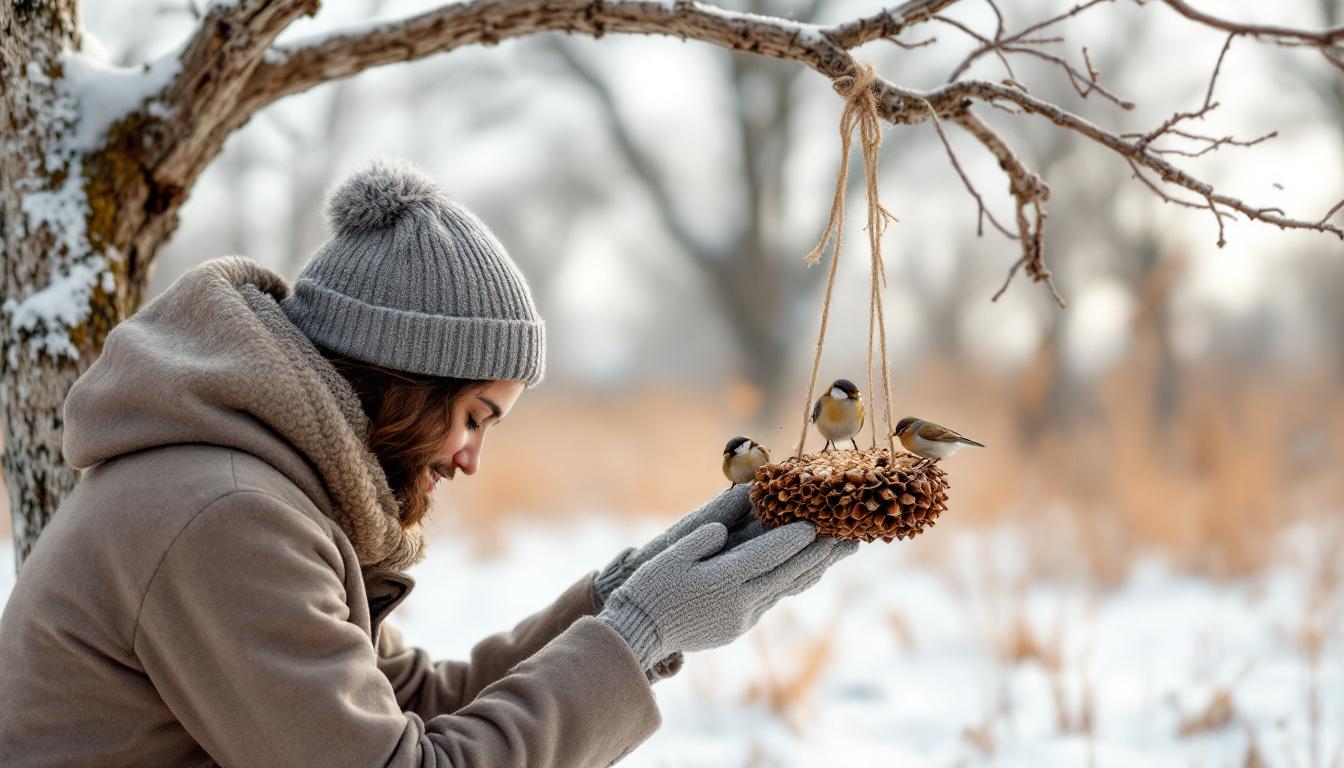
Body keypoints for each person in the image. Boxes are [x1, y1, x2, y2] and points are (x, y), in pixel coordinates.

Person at [0, 158, 857, 767]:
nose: (472, 459)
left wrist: (617, 597)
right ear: (405, 382)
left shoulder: (260, 492)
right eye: (475, 417)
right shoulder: (225, 519)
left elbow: (416, 707)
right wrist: (636, 634)